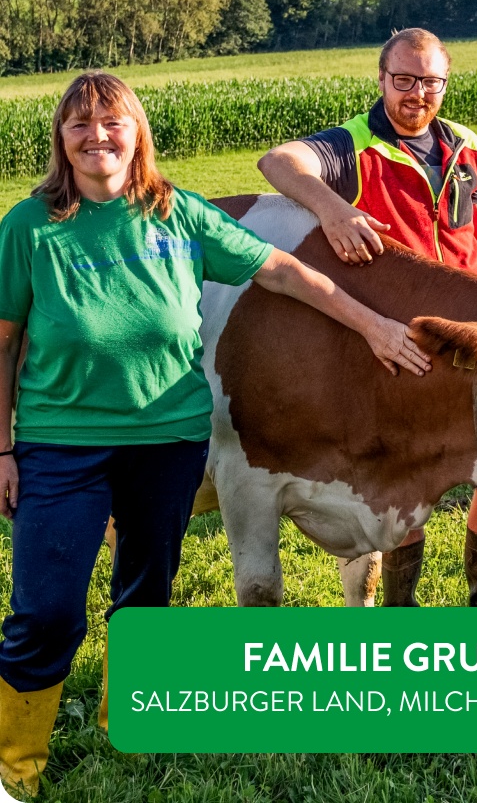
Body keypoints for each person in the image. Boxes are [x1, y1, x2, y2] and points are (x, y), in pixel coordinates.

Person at [0, 73, 431, 796]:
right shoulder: (30, 227)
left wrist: (374, 325)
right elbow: (2, 343)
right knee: (46, 610)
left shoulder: (178, 213)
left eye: (112, 123)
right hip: (59, 444)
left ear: (138, 134)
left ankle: (124, 716)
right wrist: (2, 447)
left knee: (145, 592)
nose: (97, 136)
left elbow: (286, 275)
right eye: (80, 124)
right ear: (61, 140)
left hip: (168, 442)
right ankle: (15, 767)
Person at [259, 27, 477, 609]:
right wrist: (333, 209)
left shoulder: (463, 144)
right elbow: (277, 162)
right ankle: (399, 615)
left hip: (472, 330)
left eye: (431, 82)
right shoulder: (352, 145)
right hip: (397, 341)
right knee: (408, 481)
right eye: (403, 80)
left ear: (445, 83)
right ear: (381, 80)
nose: (417, 94)